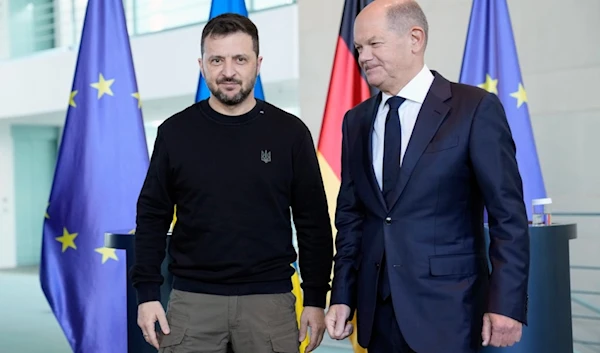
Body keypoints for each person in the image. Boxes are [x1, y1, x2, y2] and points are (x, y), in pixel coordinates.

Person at [324, 1, 530, 352]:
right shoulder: (355, 121)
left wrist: (505, 304)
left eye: (375, 44)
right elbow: (351, 217)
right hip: (377, 316)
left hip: (450, 312)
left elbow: (507, 216)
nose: (363, 56)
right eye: (359, 47)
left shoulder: (474, 109)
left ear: (414, 39)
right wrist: (343, 294)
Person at [131, 13, 333, 353]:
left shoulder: (290, 133)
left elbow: (313, 222)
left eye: (240, 59)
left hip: (269, 303)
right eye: (216, 60)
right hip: (192, 302)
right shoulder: (175, 133)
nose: (228, 71)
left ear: (258, 63)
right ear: (202, 65)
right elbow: (152, 215)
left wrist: (314, 297)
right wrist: (147, 293)